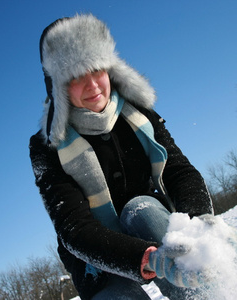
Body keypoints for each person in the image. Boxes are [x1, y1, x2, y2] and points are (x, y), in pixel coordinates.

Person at [29, 14, 214, 300]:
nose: (92, 86)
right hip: (96, 256)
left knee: (141, 207)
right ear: (58, 88)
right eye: (76, 77)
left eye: (96, 70)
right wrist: (143, 257)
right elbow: (73, 228)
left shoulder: (137, 113)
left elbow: (179, 172)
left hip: (147, 222)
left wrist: (199, 225)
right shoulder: (46, 147)